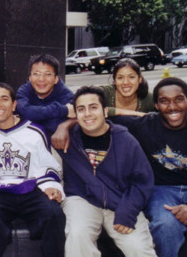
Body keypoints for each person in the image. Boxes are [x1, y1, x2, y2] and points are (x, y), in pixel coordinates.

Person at [58, 86, 156, 257]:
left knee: (138, 248)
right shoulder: (68, 140)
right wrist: (63, 127)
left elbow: (142, 181)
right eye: (81, 109)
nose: (87, 114)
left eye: (93, 107)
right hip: (82, 199)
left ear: (104, 111)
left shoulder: (125, 140)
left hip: (120, 201)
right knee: (78, 235)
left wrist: (128, 211)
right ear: (75, 114)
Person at [0, 82, 66, 257]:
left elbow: (48, 166)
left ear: (14, 104)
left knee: (53, 213)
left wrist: (52, 187)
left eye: (4, 99)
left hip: (31, 189)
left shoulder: (34, 131)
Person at [110, 77, 187, 257]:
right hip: (161, 191)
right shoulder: (145, 125)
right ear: (156, 105)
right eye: (164, 101)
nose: (172, 107)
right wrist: (65, 125)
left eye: (179, 99)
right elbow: (96, 118)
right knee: (165, 225)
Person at [16, 54, 74, 137]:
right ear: (30, 78)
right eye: (36, 74)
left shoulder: (66, 94)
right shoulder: (24, 90)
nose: (41, 79)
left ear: (56, 79)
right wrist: (62, 110)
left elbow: (53, 127)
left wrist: (36, 115)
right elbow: (25, 112)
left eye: (48, 74)